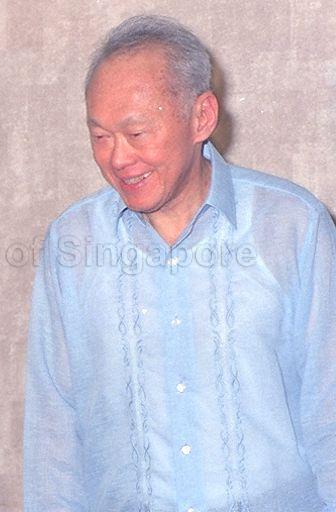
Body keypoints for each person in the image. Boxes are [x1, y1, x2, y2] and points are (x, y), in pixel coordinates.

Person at [23, 14, 336, 511]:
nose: (118, 159)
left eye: (137, 133)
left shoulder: (295, 227)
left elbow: (329, 411)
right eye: (100, 136)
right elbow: (54, 432)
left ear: (201, 117)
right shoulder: (72, 244)